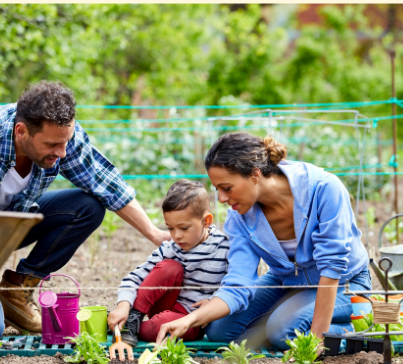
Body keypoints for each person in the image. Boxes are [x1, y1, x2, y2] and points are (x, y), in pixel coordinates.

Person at [0, 81, 170, 340]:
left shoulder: (60, 135)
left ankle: (15, 293)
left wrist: (155, 234)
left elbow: (106, 182)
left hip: (3, 227)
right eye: (52, 145)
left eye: (66, 142)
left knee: (87, 207)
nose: (62, 153)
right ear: (21, 132)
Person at [155, 132, 371, 351]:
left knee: (283, 333)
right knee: (219, 330)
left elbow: (331, 267)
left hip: (345, 282)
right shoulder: (239, 217)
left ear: (255, 175)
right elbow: (239, 280)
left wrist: (317, 339)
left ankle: (364, 320)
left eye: (226, 188)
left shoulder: (324, 189)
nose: (220, 198)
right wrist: (190, 320)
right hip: (287, 282)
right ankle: (283, 319)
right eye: (217, 189)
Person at [107, 180, 230, 346]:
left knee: (161, 326)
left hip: (191, 320)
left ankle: (125, 326)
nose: (176, 236)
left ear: (206, 221)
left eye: (184, 228)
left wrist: (214, 301)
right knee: (169, 267)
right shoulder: (171, 248)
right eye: (170, 228)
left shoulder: (224, 247)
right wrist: (123, 306)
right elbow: (135, 278)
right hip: (163, 304)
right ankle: (131, 319)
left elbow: (234, 285)